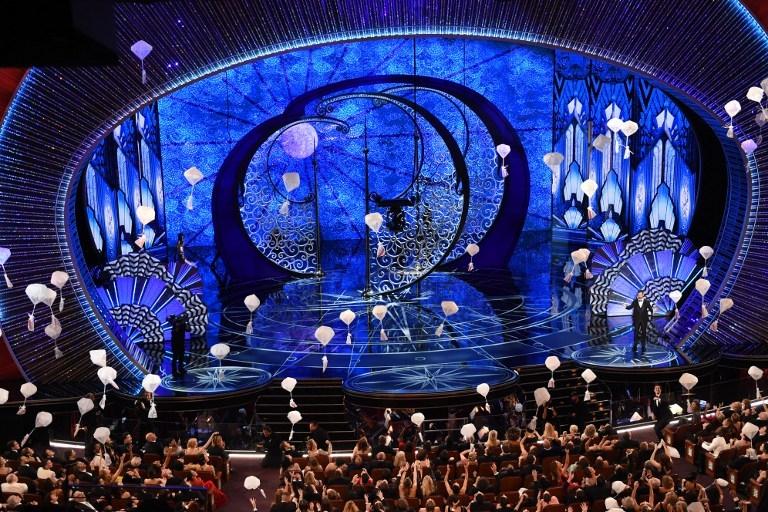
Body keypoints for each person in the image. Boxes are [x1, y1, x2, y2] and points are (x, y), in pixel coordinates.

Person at [170, 313, 189, 378]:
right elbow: (175, 331)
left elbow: (188, 329)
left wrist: (186, 323)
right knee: (175, 357)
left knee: (181, 357)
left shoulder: (183, 324)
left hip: (181, 342)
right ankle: (174, 371)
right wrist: (179, 324)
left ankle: (181, 368)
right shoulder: (175, 323)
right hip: (175, 342)